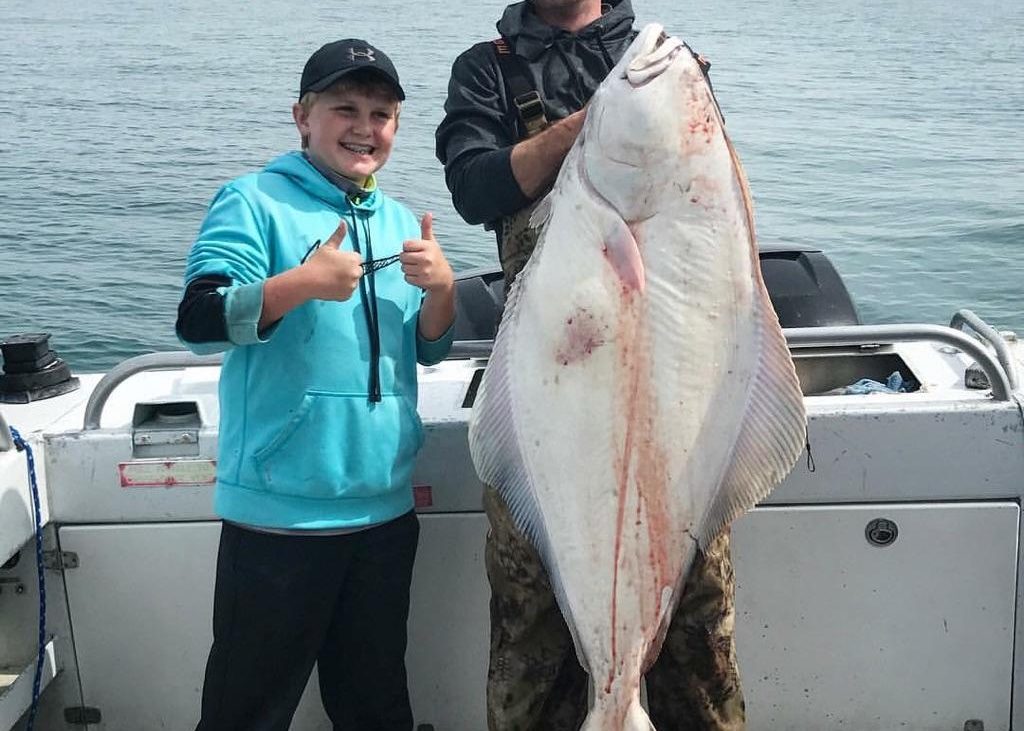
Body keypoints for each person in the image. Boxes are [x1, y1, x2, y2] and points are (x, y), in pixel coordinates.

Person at [435, 2, 743, 729]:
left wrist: (644, 107)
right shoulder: (489, 68)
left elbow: (712, 207)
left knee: (698, 628)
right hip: (557, 387)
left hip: (672, 388)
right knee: (532, 624)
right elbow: (476, 187)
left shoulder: (657, 57)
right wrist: (599, 120)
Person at [176, 38, 455, 731]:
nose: (365, 127)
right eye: (345, 108)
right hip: (277, 516)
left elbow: (429, 346)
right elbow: (200, 315)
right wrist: (301, 283)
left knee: (377, 704)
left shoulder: (398, 221)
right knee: (248, 710)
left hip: (384, 515)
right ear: (302, 115)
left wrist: (444, 287)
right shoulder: (252, 200)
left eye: (382, 113)